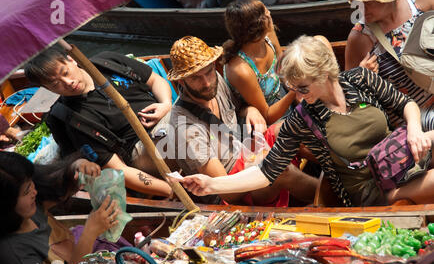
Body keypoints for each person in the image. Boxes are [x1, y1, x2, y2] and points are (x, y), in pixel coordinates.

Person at [178, 36, 434, 207]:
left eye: (302, 88)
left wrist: (414, 130)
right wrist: (211, 184)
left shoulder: (360, 79)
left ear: (324, 74)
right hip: (374, 191)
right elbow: (267, 171)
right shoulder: (303, 119)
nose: (297, 97)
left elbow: (406, 104)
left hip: (401, 157)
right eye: (293, 89)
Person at [166, 36, 319, 206]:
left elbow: (238, 107)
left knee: (291, 126)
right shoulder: (184, 127)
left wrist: (250, 110)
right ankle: (329, 198)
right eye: (195, 78)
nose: (207, 82)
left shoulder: (214, 81)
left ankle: (339, 168)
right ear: (181, 81)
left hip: (247, 151)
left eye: (209, 71)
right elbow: (226, 191)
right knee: (280, 169)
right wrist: (263, 164)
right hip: (232, 187)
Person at [24, 47, 173, 198]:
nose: (68, 82)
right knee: (182, 130)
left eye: (65, 72)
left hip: (167, 116)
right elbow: (119, 168)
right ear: (47, 89)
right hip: (143, 149)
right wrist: (171, 190)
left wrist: (166, 104)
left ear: (71, 60)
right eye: (56, 84)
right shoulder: (72, 120)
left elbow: (154, 80)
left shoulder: (107, 62)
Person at [0, 151, 121, 264]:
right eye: (26, 191)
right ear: (3, 206)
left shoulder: (25, 210)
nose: (34, 192)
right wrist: (89, 233)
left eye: (31, 183)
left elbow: (56, 187)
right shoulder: (12, 259)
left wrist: (77, 167)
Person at [345, 0, 434, 130]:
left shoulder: (420, 1)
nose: (361, 7)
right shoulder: (360, 37)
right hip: (411, 125)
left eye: (369, 2)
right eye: (358, 1)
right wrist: (362, 78)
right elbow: (350, 99)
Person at [222, 0, 296, 125]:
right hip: (266, 120)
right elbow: (266, 115)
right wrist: (296, 91)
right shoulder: (241, 70)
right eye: (264, 12)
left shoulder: (267, 35)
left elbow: (282, 67)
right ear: (257, 26)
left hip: (285, 96)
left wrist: (295, 89)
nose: (269, 12)